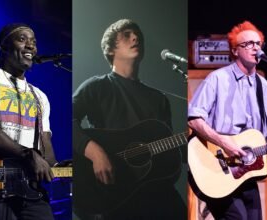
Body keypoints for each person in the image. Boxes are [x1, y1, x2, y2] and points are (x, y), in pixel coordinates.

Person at [73, 19, 186, 219]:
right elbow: (66, 121)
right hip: (115, 193)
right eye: (126, 35)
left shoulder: (158, 98)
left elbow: (173, 152)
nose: (135, 37)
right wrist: (95, 153)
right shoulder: (96, 87)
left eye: (138, 35)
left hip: (157, 192)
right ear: (110, 49)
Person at [188, 20, 267, 219]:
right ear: (235, 51)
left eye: (258, 43)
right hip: (214, 164)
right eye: (248, 44)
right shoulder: (217, 79)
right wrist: (224, 142)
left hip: (244, 172)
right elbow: (194, 119)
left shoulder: (263, 85)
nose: (255, 48)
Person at [0, 23, 57, 220]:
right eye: (22, 39)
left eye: (34, 42)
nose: (31, 46)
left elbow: (45, 143)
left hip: (31, 190)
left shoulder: (40, 96)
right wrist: (28, 155)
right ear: (4, 47)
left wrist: (57, 165)